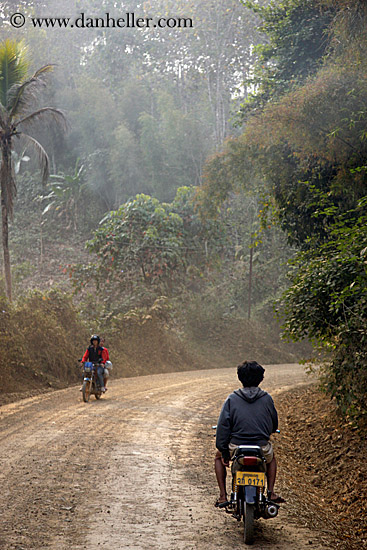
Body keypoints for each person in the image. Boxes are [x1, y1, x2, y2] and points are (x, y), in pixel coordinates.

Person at [215, 360, 285, 506]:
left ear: (240, 377)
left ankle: (223, 496)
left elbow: (223, 426)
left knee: (217, 457)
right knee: (271, 459)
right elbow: (274, 423)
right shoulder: (267, 398)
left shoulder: (232, 399)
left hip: (236, 446)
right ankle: (270, 492)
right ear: (261, 378)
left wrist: (224, 451)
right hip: (261, 447)